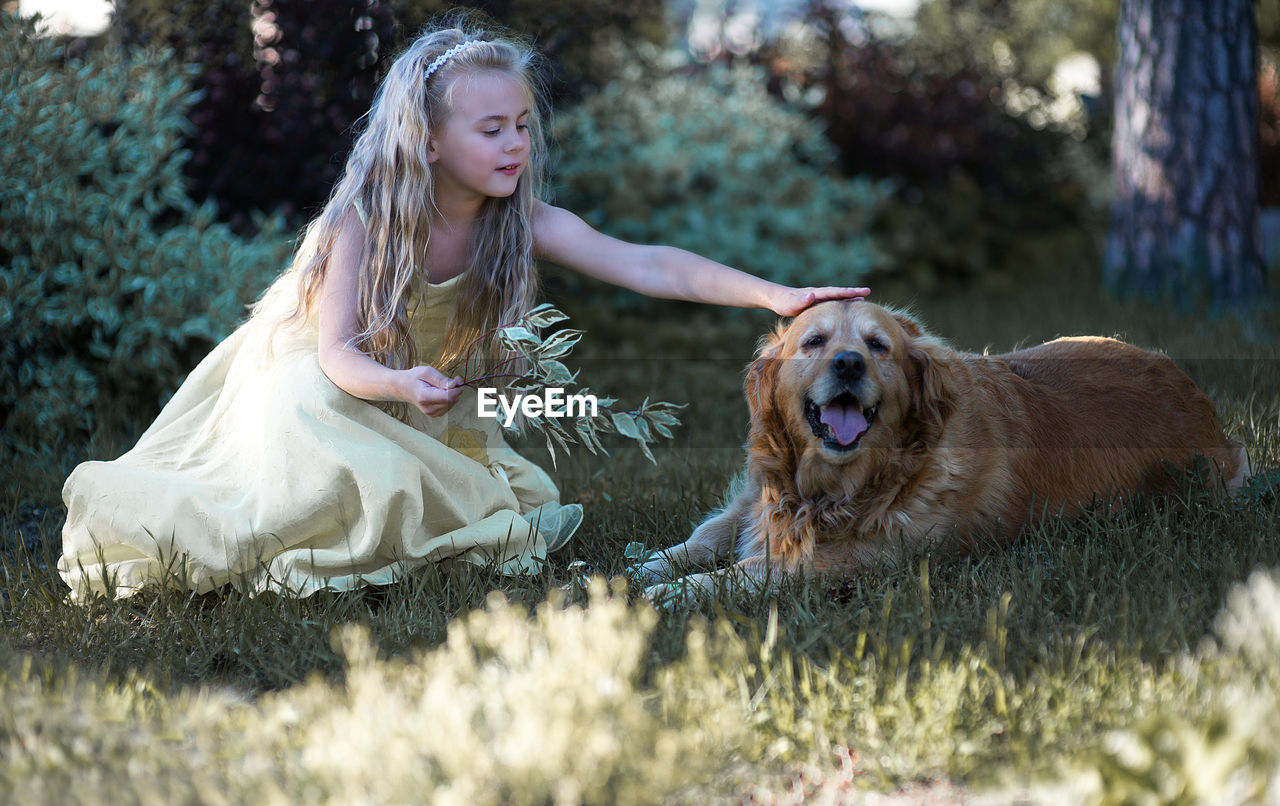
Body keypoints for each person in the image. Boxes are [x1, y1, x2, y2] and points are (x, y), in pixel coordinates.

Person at [59, 21, 870, 600]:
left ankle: (389, 506)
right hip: (318, 379)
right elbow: (337, 353)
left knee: (458, 491)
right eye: (491, 129)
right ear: (430, 140)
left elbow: (648, 263)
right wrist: (399, 385)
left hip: (418, 390)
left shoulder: (521, 222)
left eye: (521, 125)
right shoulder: (365, 222)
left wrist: (773, 295)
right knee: (312, 405)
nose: (515, 143)